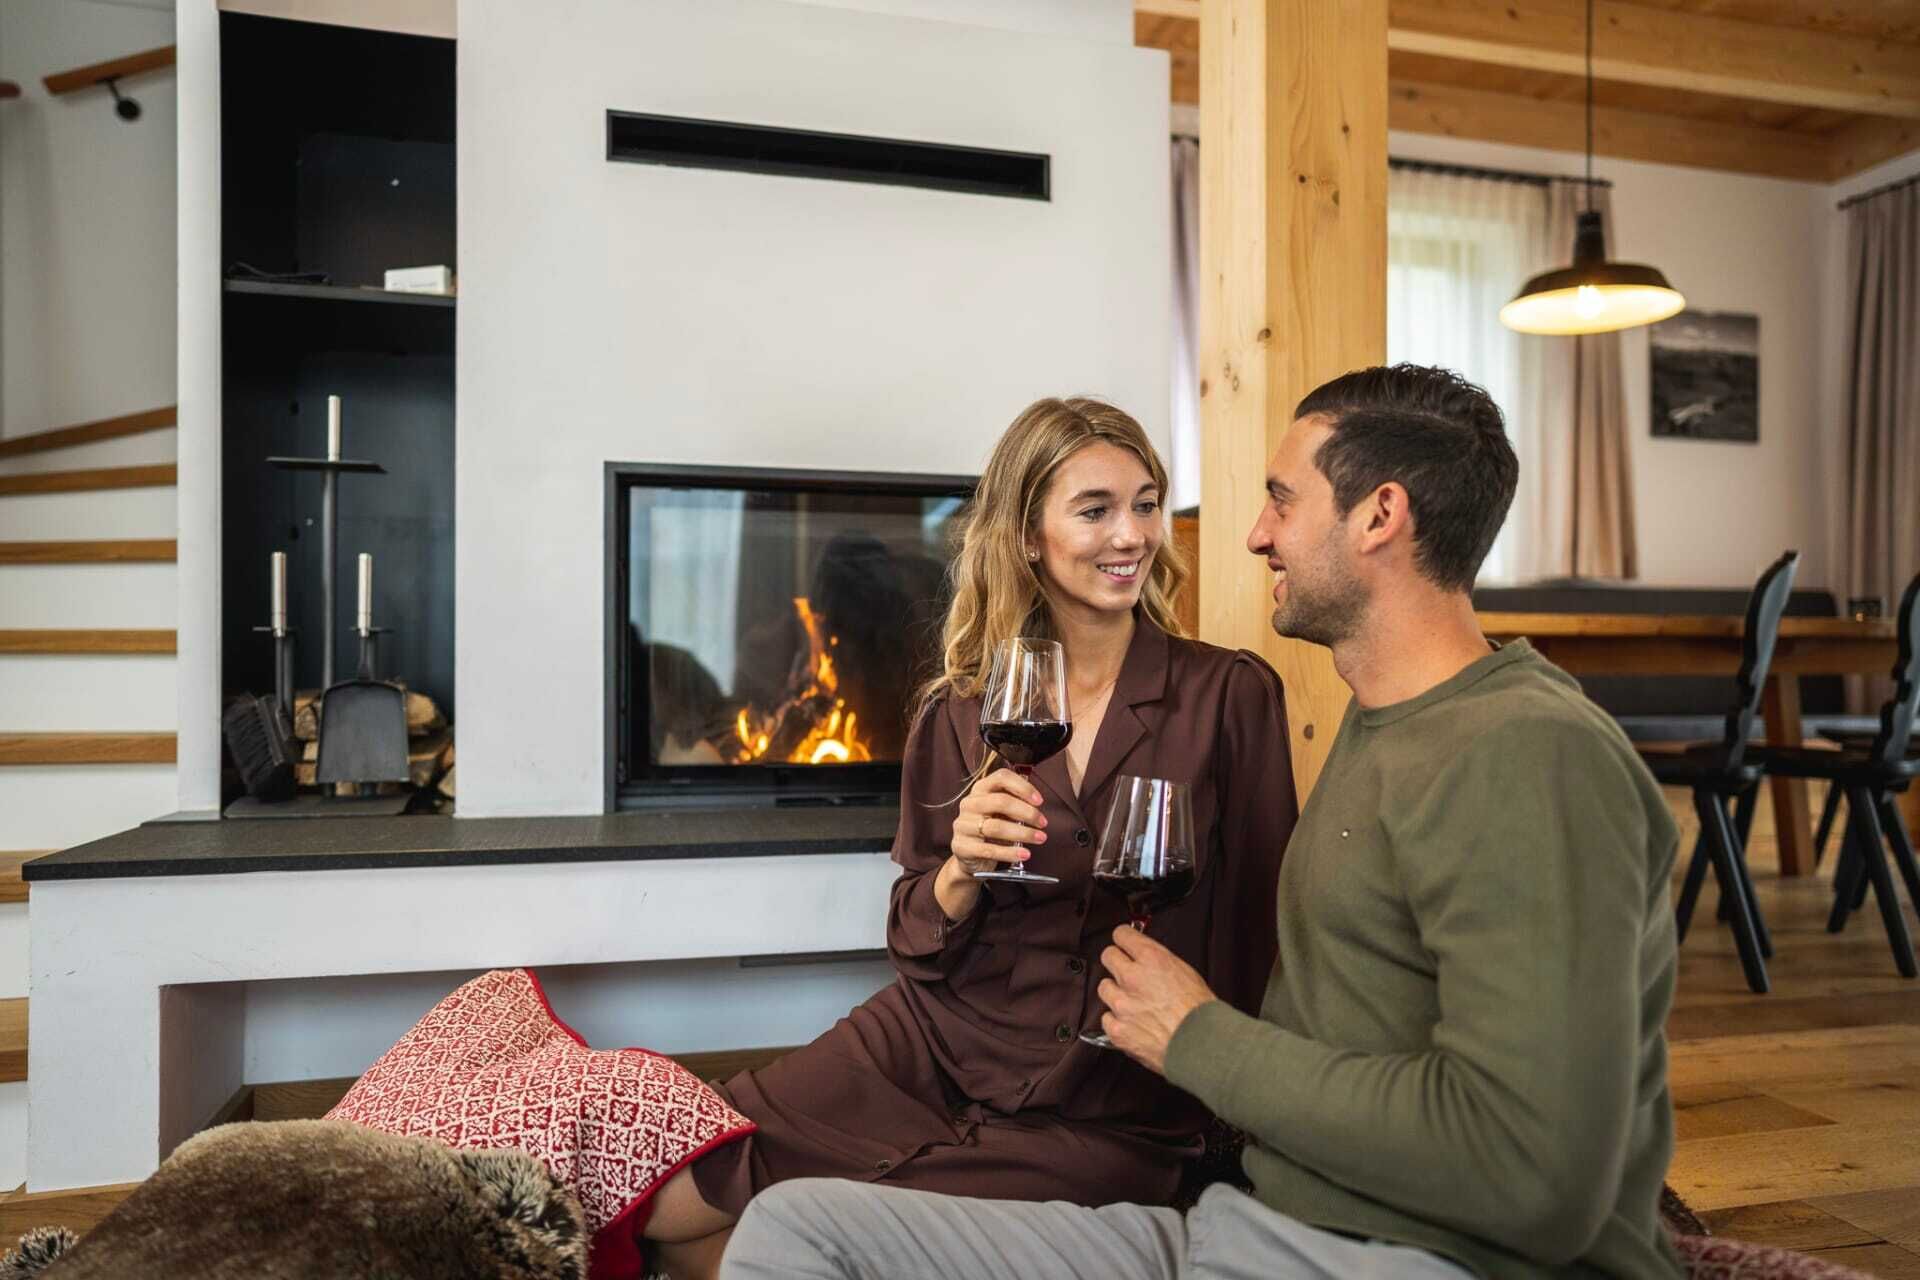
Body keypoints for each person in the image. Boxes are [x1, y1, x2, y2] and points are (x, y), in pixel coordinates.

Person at [717, 365, 1687, 1280]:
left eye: (1282, 499)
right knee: (783, 1223)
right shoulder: (1383, 726)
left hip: (1353, 1247)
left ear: (1380, 515)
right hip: (1254, 1217)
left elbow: (1538, 1171)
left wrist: (1195, 1040)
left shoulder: (1527, 752)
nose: (1254, 534)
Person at [642, 398, 1299, 1278]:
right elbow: (915, 938)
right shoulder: (961, 709)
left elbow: (1264, 936)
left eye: (1145, 504)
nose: (1133, 534)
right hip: (932, 1043)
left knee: (804, 1238)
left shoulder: (1229, 697)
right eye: (1096, 509)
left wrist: (1230, 1105)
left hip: (1110, 1098)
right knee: (670, 1210)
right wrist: (959, 867)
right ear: (1028, 537)